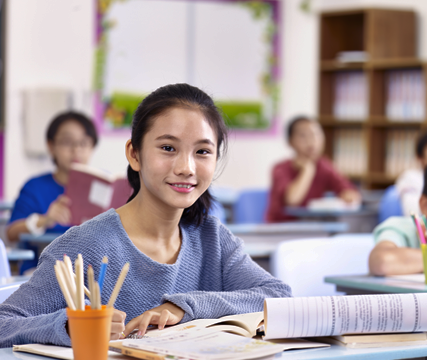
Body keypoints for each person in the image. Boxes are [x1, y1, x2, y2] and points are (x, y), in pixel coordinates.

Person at [0, 83, 292, 347]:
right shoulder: (83, 246)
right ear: (134, 154)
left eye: (202, 152)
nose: (186, 167)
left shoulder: (212, 236)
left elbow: (278, 295)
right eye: (168, 148)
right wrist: (68, 325)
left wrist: (183, 307)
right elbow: (4, 324)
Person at [6, 111, 98, 273]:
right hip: (41, 269)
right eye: (67, 142)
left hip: (92, 271)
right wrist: (45, 220)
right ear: (51, 146)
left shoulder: (102, 188)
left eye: (84, 143)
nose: (76, 150)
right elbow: (11, 232)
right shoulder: (35, 187)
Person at [266, 116, 360, 222]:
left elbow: (349, 191)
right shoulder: (280, 169)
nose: (311, 141)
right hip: (281, 229)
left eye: (316, 134)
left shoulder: (324, 166)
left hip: (312, 228)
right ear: (290, 142)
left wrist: (348, 196)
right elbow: (292, 200)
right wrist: (307, 170)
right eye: (303, 136)